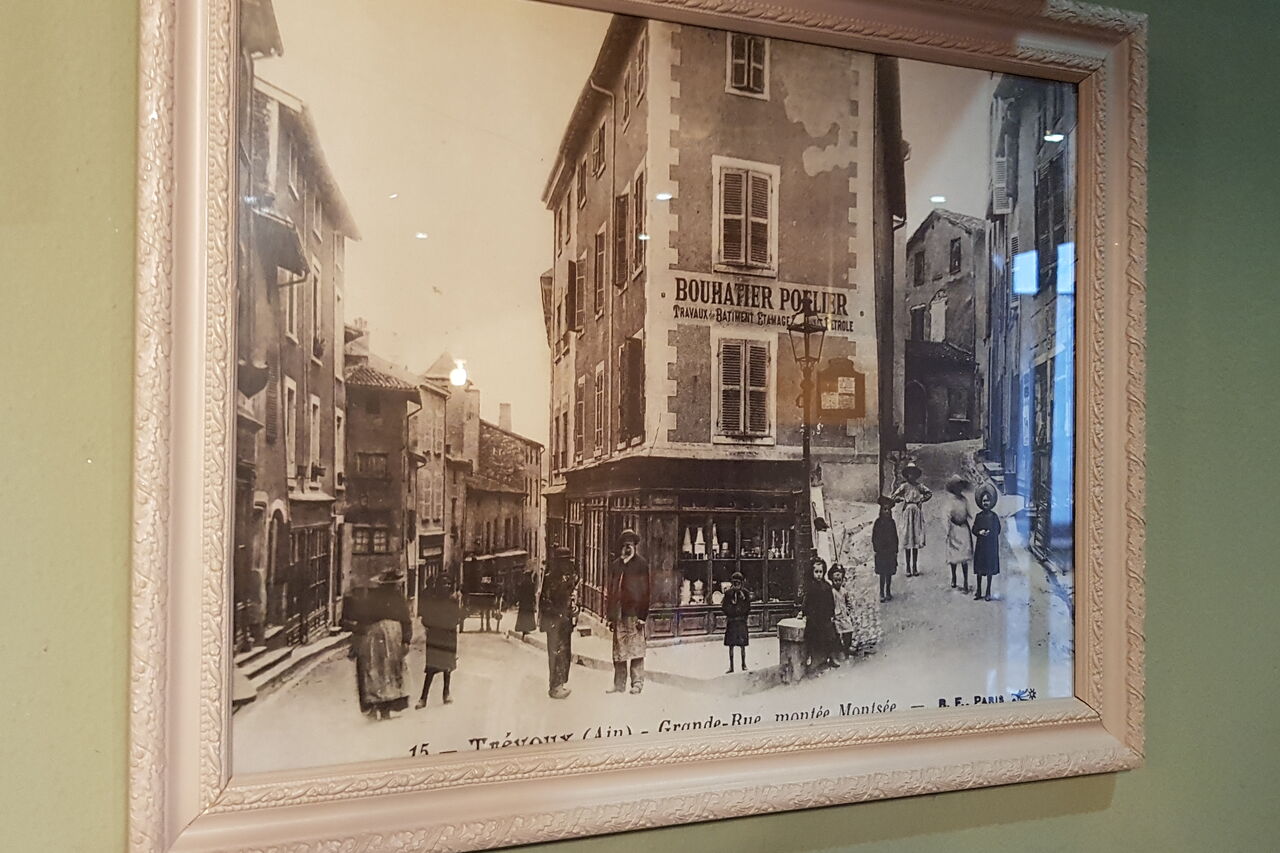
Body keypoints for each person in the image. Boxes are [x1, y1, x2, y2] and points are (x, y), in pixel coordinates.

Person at [340, 568, 412, 721]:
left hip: (378, 638)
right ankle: (381, 706)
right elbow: (406, 621)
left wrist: (406, 640)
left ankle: (378, 706)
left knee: (377, 671)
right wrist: (406, 640)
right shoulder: (394, 599)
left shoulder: (381, 598)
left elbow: (363, 619)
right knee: (384, 671)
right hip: (386, 638)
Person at [607, 528, 650, 695]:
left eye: (630, 545)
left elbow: (646, 591)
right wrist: (610, 616)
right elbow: (611, 590)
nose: (627, 548)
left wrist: (642, 616)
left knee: (636, 650)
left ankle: (637, 683)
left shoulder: (641, 565)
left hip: (634, 614)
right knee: (619, 651)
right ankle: (619, 684)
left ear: (635, 546)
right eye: (624, 545)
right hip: (619, 614)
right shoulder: (616, 565)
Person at [416, 575, 462, 709]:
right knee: (431, 668)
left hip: (447, 637)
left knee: (447, 668)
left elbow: (457, 618)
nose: (446, 587)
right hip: (436, 637)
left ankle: (446, 693)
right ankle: (423, 698)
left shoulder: (453, 602)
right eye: (444, 585)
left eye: (448, 585)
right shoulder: (433, 601)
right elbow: (425, 619)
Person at [539, 546, 577, 699]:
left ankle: (560, 683)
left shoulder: (566, 578)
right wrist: (559, 613)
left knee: (565, 653)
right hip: (554, 622)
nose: (567, 564)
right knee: (556, 652)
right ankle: (555, 686)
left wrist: (572, 609)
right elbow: (545, 601)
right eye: (564, 561)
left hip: (564, 621)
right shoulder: (551, 578)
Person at [891, 461, 932, 577]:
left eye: (913, 474)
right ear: (907, 475)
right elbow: (894, 496)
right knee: (908, 539)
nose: (911, 476)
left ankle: (915, 567)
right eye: (909, 474)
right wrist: (901, 499)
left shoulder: (919, 486)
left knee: (915, 540)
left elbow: (929, 493)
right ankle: (908, 567)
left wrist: (921, 500)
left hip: (917, 513)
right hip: (907, 512)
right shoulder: (904, 486)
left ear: (916, 475)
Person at [802, 557, 840, 673]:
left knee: (831, 635)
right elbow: (806, 602)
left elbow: (831, 602)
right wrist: (804, 613)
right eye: (816, 572)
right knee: (811, 634)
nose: (818, 575)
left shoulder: (827, 586)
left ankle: (832, 656)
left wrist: (832, 614)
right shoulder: (810, 587)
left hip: (824, 616)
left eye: (820, 572)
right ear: (812, 572)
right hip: (814, 617)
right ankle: (809, 657)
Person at [944, 475, 974, 593]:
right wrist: (948, 530)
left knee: (965, 556)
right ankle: (954, 577)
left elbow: (969, 514)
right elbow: (946, 516)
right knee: (954, 555)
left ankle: (966, 580)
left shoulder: (964, 500)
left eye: (960, 487)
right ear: (953, 488)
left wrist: (969, 519)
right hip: (954, 529)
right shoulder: (950, 502)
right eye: (957, 487)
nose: (959, 489)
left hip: (964, 528)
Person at [972, 482, 1002, 601]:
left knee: (989, 570)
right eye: (984, 501)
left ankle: (988, 591)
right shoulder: (978, 516)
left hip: (990, 546)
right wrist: (979, 532)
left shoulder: (994, 516)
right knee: (979, 570)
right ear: (981, 502)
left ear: (991, 502)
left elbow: (998, 529)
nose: (986, 503)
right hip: (981, 547)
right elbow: (974, 529)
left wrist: (990, 533)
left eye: (988, 501)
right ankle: (979, 591)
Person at [720, 571, 752, 673]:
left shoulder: (745, 593)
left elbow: (748, 607)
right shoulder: (728, 593)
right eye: (734, 582)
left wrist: (742, 612)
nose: (736, 585)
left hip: (741, 622)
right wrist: (732, 609)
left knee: (742, 645)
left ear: (741, 583)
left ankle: (743, 664)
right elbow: (724, 607)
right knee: (731, 645)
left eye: (738, 582)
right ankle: (731, 666)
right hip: (732, 622)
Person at [873, 496, 899, 602]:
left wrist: (895, 549)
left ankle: (888, 591)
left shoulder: (892, 523)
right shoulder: (878, 523)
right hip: (881, 552)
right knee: (882, 574)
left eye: (888, 510)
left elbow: (895, 536)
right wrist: (877, 548)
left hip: (890, 552)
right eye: (884, 509)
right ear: (881, 511)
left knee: (889, 573)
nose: (886, 512)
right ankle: (881, 592)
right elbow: (874, 537)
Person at [828, 563, 857, 657]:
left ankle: (847, 647)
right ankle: (839, 648)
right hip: (836, 617)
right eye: (835, 580)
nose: (837, 582)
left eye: (839, 580)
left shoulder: (844, 591)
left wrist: (848, 610)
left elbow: (848, 603)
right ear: (832, 580)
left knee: (848, 630)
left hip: (844, 616)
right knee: (837, 632)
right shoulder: (831, 592)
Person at [514, 568, 538, 637]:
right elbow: (532, 594)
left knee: (523, 616)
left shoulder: (523, 583)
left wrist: (518, 600)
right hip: (528, 603)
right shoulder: (530, 583)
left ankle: (523, 629)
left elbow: (519, 593)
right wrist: (534, 601)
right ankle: (526, 629)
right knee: (528, 617)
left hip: (523, 603)